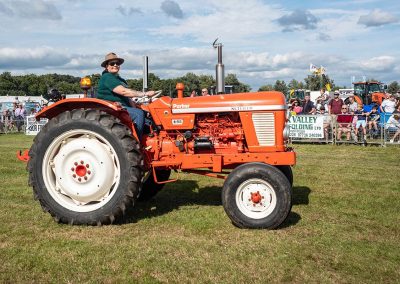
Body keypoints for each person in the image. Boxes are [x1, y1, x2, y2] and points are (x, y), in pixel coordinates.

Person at [97, 52, 155, 139]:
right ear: (106, 66)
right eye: (112, 63)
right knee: (138, 114)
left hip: (123, 107)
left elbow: (128, 97)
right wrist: (145, 93)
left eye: (117, 63)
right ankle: (137, 142)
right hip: (112, 108)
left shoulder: (120, 79)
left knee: (148, 116)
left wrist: (140, 108)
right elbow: (124, 92)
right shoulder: (107, 77)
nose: (115, 65)